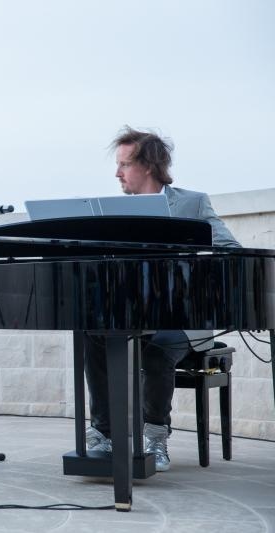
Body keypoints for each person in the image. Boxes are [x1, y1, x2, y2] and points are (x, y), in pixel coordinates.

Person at [84, 126, 240, 471]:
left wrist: (190, 268)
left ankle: (155, 436)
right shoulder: (114, 213)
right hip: (137, 315)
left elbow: (230, 249)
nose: (117, 173)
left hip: (187, 318)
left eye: (124, 164)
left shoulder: (192, 203)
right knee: (91, 332)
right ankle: (103, 433)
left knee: (158, 346)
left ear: (148, 166)